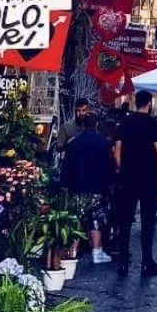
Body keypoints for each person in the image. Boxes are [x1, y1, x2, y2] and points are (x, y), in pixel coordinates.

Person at [114, 90, 157, 278]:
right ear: (149, 104)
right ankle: (147, 262)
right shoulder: (153, 124)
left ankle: (123, 263)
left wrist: (120, 169)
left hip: (127, 177)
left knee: (125, 221)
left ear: (136, 102)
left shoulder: (124, 123)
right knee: (147, 221)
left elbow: (117, 150)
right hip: (147, 177)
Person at [58, 110, 115, 264]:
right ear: (97, 124)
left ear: (83, 124)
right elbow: (110, 165)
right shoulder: (103, 142)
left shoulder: (74, 143)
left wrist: (65, 184)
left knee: (78, 218)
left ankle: (73, 250)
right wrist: (111, 183)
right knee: (96, 218)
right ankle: (97, 251)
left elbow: (66, 166)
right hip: (97, 185)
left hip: (77, 185)